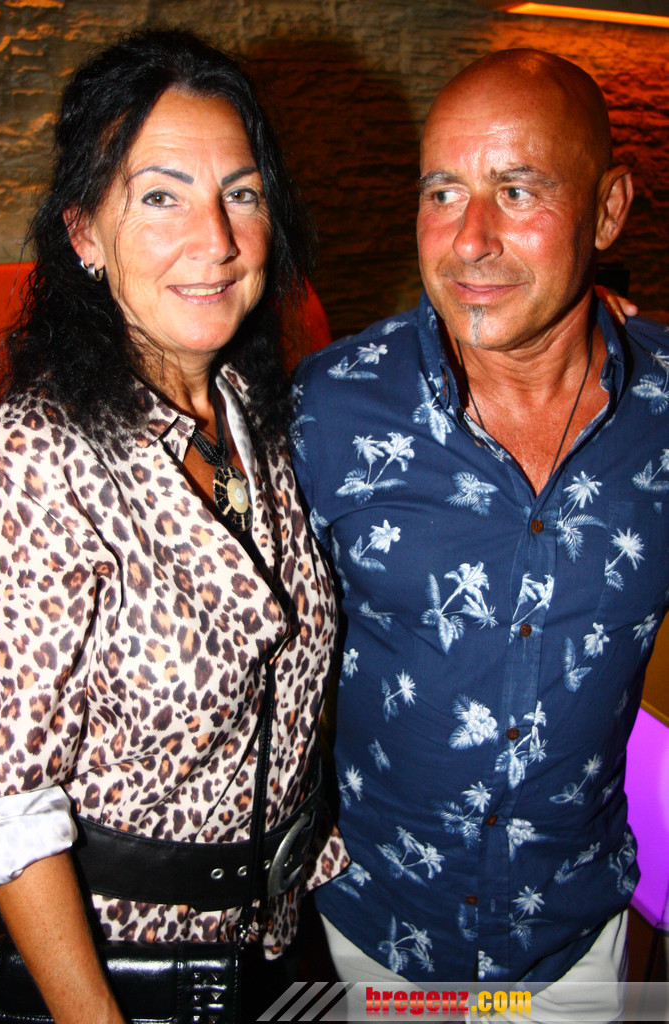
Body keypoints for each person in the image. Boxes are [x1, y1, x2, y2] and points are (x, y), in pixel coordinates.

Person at [292, 49, 665, 1019]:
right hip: (376, 936)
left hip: (577, 939)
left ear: (608, 210)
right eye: (443, 192)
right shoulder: (329, 410)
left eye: (518, 189)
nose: (470, 239)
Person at [0, 28, 347, 1024]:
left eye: (242, 193)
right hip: (126, 975)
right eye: (160, 196)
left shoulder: (251, 413)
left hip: (281, 944)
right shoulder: (32, 458)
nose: (216, 239)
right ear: (84, 235)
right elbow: (5, 804)